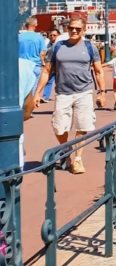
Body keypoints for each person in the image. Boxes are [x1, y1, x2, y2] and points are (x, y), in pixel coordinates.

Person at [30, 16, 104, 174]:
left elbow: (99, 71)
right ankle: (67, 150)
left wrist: (102, 92)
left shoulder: (90, 47)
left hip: (84, 91)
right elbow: (46, 71)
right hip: (63, 92)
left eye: (78, 29)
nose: (74, 31)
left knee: (82, 126)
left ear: (84, 30)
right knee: (59, 127)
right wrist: (37, 93)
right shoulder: (58, 47)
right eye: (71, 28)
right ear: (67, 29)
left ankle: (78, 159)